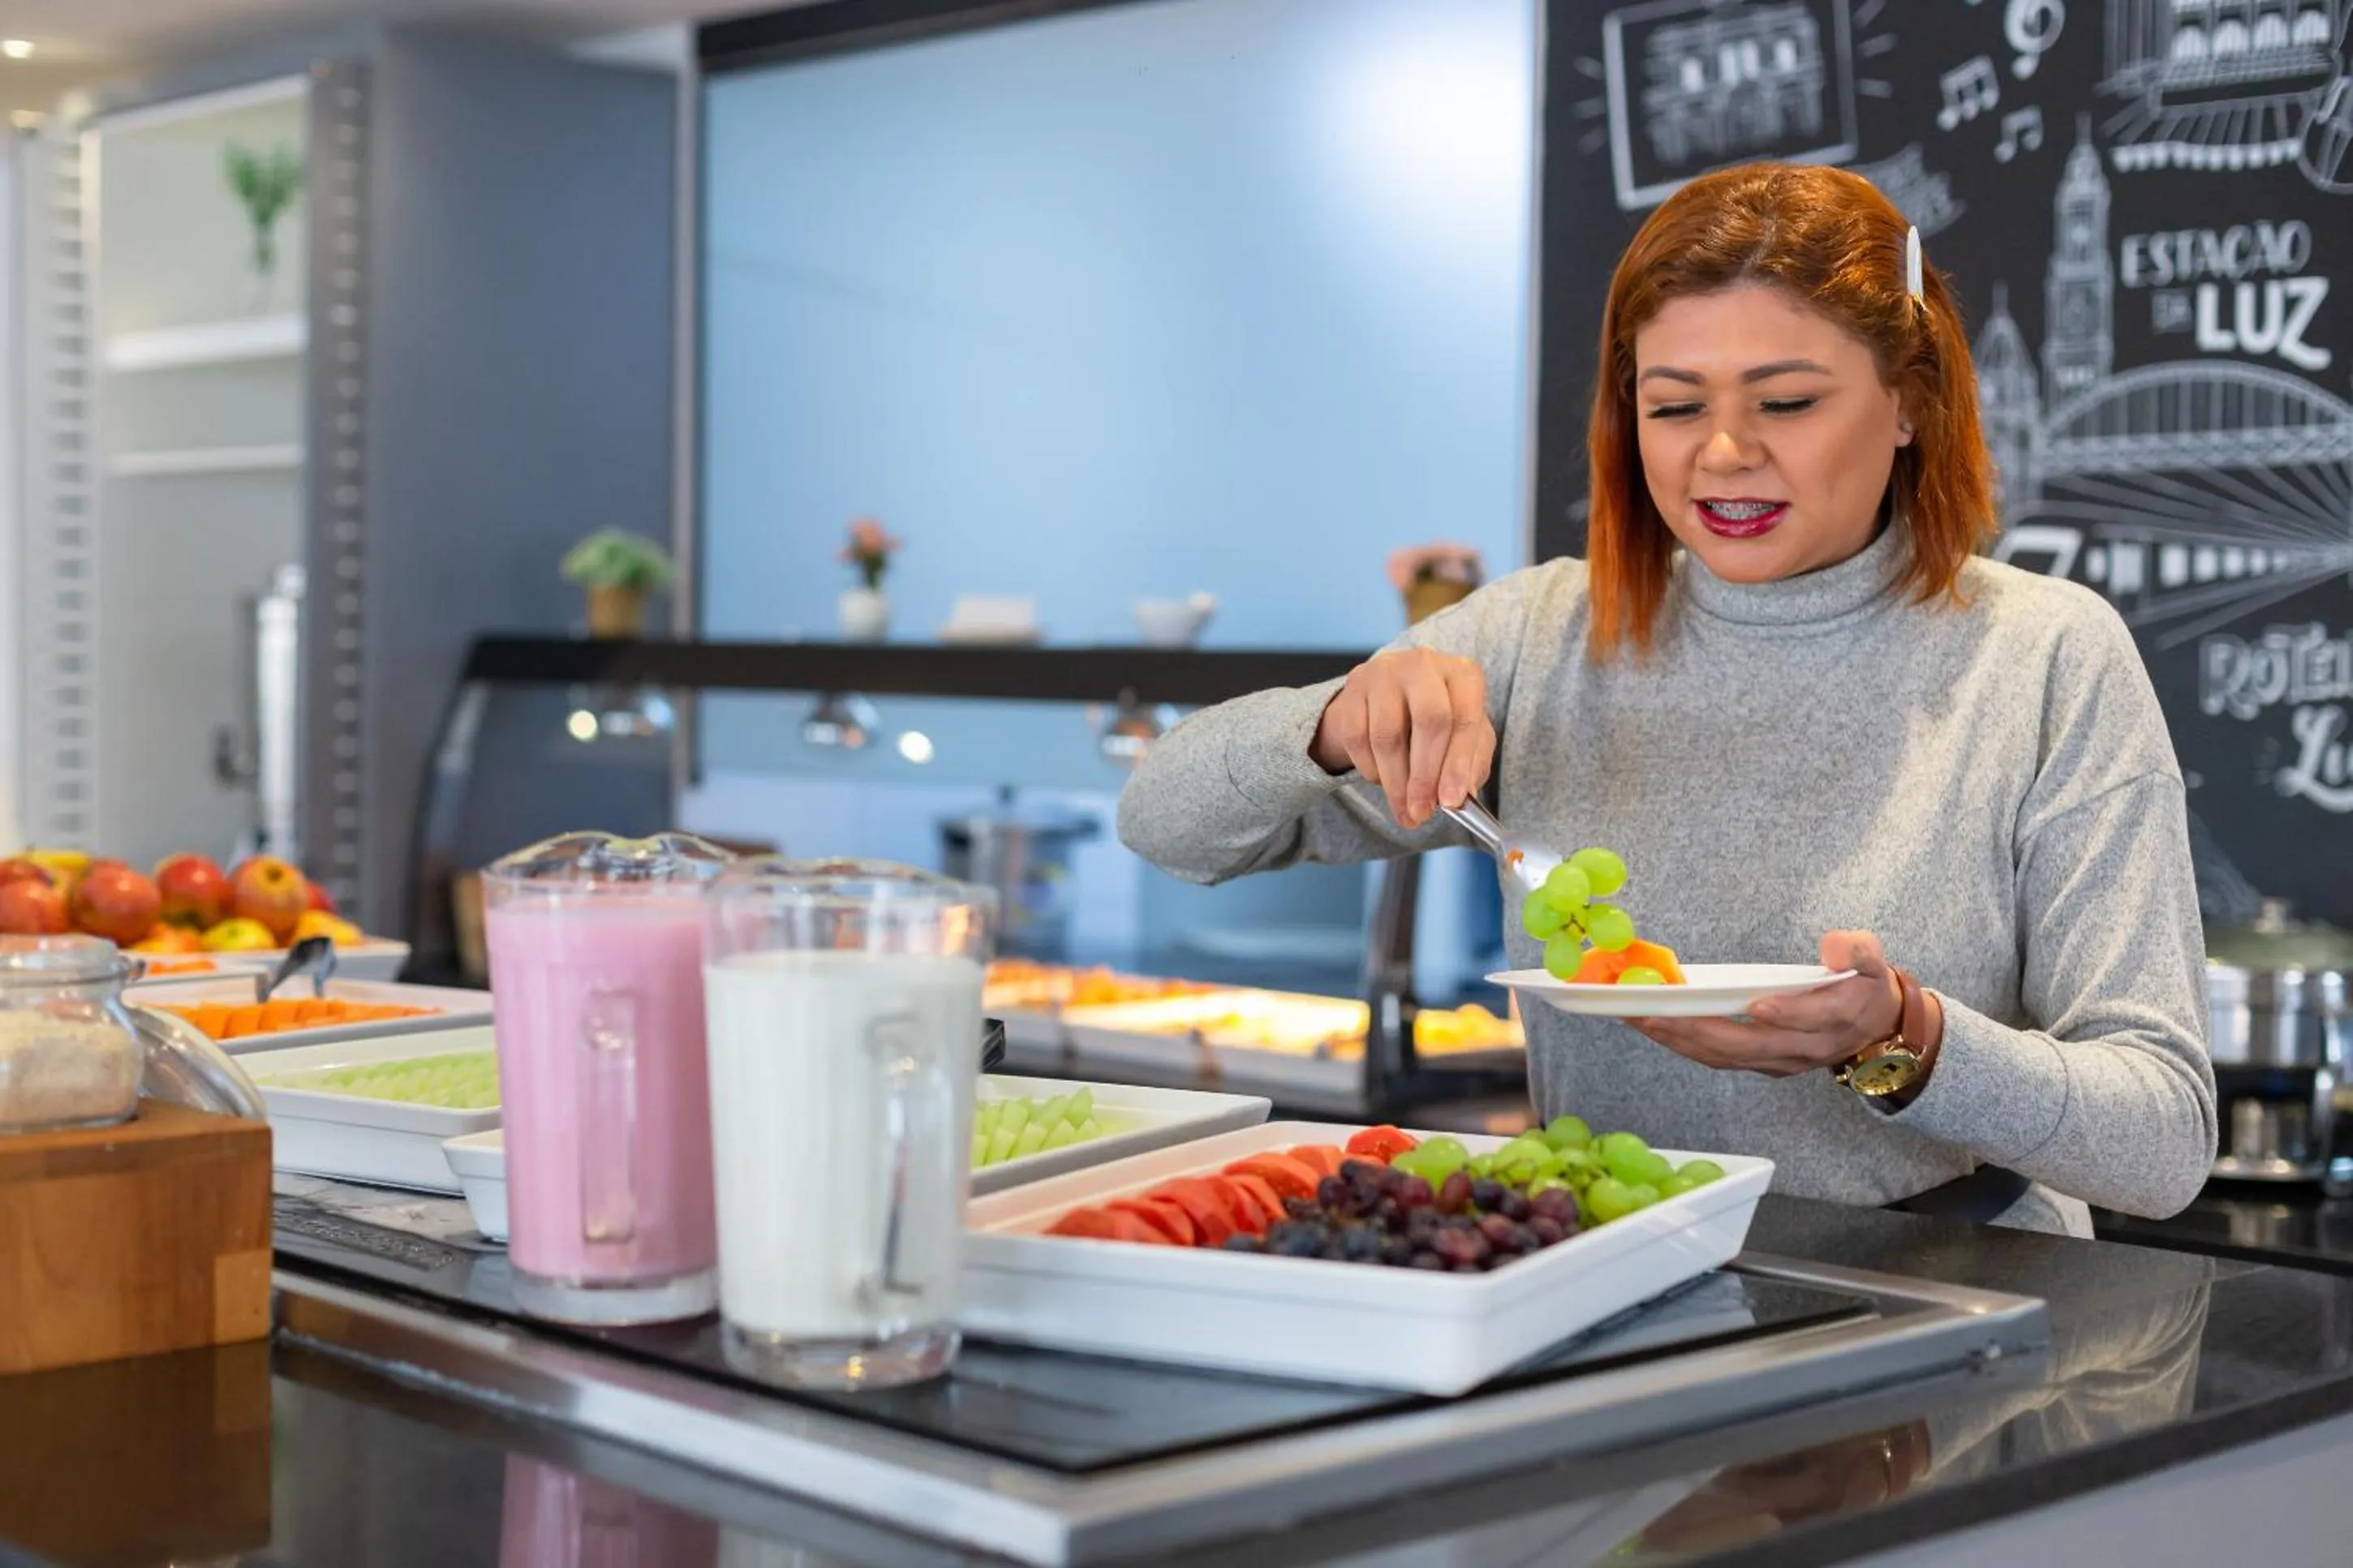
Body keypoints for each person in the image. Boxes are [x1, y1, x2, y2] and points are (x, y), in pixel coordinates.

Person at [1118, 162, 2214, 1235]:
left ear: (1908, 406)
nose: (1724, 453)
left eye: (1786, 400)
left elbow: (2162, 1144)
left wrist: (1909, 1041)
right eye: (1674, 405)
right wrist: (1324, 726)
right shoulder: (1542, 633)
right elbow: (1164, 826)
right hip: (1606, 1282)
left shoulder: (2044, 654)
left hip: (1967, 1301)